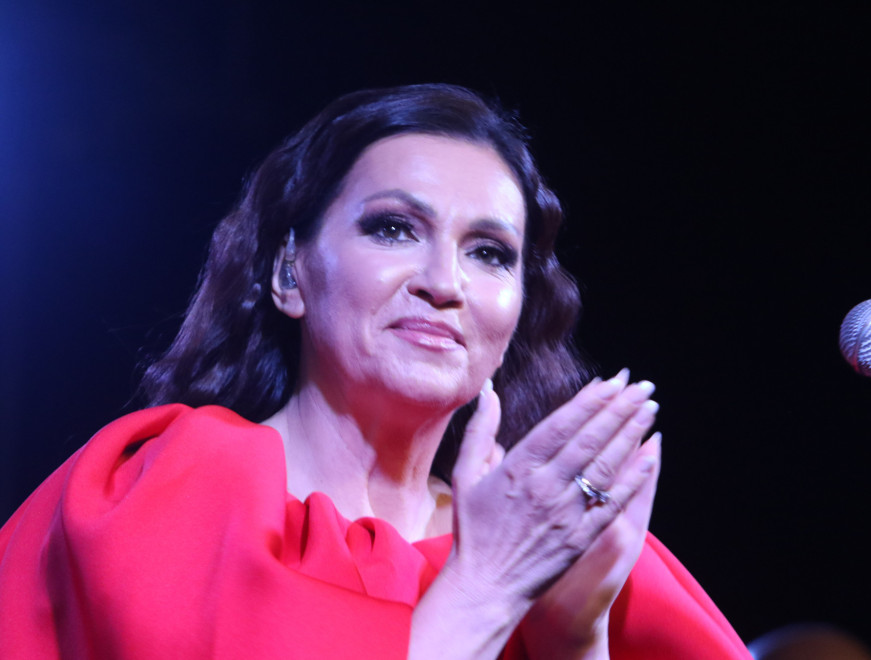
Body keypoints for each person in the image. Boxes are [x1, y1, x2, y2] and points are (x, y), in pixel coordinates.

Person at [0, 83, 750, 659]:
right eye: (393, 228)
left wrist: (574, 637)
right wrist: (485, 591)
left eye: (489, 253)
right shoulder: (175, 487)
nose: (444, 283)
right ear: (289, 273)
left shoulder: (561, 542)